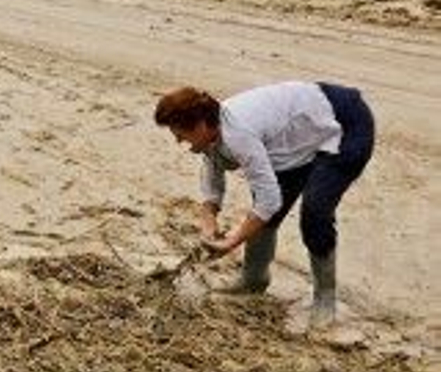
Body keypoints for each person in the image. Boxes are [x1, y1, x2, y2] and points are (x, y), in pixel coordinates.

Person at [154, 81, 375, 327]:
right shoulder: (212, 128)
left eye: (179, 134)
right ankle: (253, 281)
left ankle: (325, 297)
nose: (177, 140)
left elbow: (269, 201)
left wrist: (232, 241)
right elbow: (212, 170)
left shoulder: (238, 133)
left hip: (346, 122)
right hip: (297, 136)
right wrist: (208, 222)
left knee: (315, 213)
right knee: (265, 211)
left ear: (201, 125)